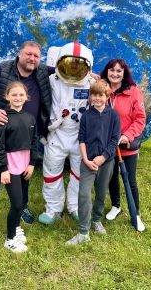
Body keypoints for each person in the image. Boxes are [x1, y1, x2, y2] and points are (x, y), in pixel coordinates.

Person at [0, 41, 53, 237]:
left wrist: (90, 75)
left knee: (23, 175)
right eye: (28, 54)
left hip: (27, 138)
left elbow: (66, 71)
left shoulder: (42, 72)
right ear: (19, 54)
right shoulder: (3, 69)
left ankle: (23, 206)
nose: (32, 59)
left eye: (36, 56)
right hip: (1, 134)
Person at [38, 42, 95, 225]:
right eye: (69, 64)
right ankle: (53, 209)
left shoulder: (92, 83)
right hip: (57, 133)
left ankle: (75, 207)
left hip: (81, 135)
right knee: (52, 172)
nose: (73, 69)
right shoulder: (52, 79)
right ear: (59, 63)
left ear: (88, 65)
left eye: (79, 65)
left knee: (79, 174)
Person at [66, 79, 120, 245]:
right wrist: (86, 159)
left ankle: (96, 219)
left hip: (106, 161)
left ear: (107, 96)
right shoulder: (87, 116)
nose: (97, 98)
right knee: (83, 194)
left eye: (100, 95)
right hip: (88, 161)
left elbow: (115, 139)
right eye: (94, 95)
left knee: (101, 193)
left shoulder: (113, 115)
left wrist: (103, 157)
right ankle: (83, 232)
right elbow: (81, 139)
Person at [100, 58, 146, 232]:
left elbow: (140, 119)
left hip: (126, 144)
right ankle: (116, 206)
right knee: (111, 177)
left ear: (124, 73)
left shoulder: (133, 92)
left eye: (119, 71)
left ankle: (136, 214)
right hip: (108, 144)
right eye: (112, 70)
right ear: (107, 72)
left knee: (130, 179)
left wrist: (127, 135)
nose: (115, 74)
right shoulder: (102, 89)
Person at [0, 81, 38, 253]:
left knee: (21, 200)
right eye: (14, 95)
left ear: (26, 97)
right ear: (7, 97)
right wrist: (3, 169)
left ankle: (16, 227)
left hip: (25, 165)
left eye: (21, 95)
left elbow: (34, 142)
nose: (18, 98)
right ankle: (10, 238)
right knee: (17, 204)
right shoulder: (3, 117)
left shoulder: (30, 118)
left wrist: (32, 164)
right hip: (10, 167)